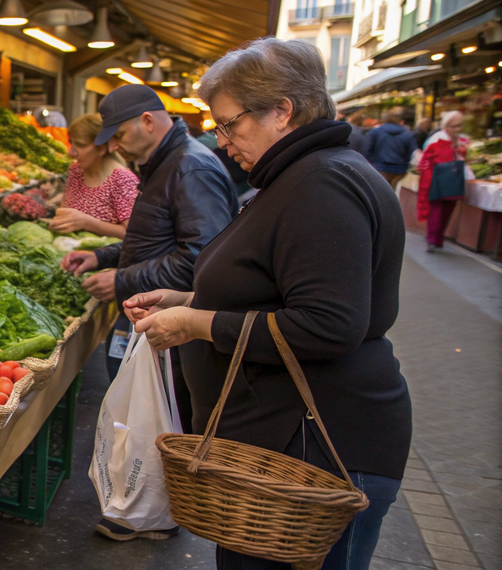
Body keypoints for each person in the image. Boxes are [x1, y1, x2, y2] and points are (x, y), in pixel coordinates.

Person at [127, 38, 411, 570]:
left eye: (230, 124)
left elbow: (328, 324)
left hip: (317, 452)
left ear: (282, 111)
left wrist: (197, 321)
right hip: (286, 449)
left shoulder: (322, 184)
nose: (224, 140)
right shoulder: (303, 176)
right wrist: (190, 297)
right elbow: (280, 291)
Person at [60, 84, 238, 543]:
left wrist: (123, 280)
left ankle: (155, 512)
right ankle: (143, 505)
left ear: (147, 121)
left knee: (160, 413)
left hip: (174, 319)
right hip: (152, 312)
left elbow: (202, 258)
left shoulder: (190, 167)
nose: (114, 148)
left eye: (118, 136)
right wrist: (103, 256)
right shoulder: (166, 165)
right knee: (143, 410)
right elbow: (153, 236)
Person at [44, 113, 139, 239]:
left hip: (107, 257)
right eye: (71, 143)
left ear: (102, 148)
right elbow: (65, 215)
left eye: (80, 145)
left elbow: (134, 234)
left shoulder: (123, 180)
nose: (71, 152)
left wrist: (87, 223)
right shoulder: (76, 172)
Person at [417, 111, 469, 251]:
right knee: (436, 211)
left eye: (460, 125)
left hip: (453, 181)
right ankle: (432, 239)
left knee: (447, 210)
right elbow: (425, 162)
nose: (459, 129)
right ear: (448, 126)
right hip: (437, 181)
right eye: (456, 126)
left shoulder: (461, 141)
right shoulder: (436, 141)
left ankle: (438, 238)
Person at [363, 107, 419, 188]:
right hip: (399, 170)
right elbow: (411, 152)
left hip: (379, 168)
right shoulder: (407, 133)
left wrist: (372, 163)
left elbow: (366, 150)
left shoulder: (375, 131)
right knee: (394, 193)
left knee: (379, 193)